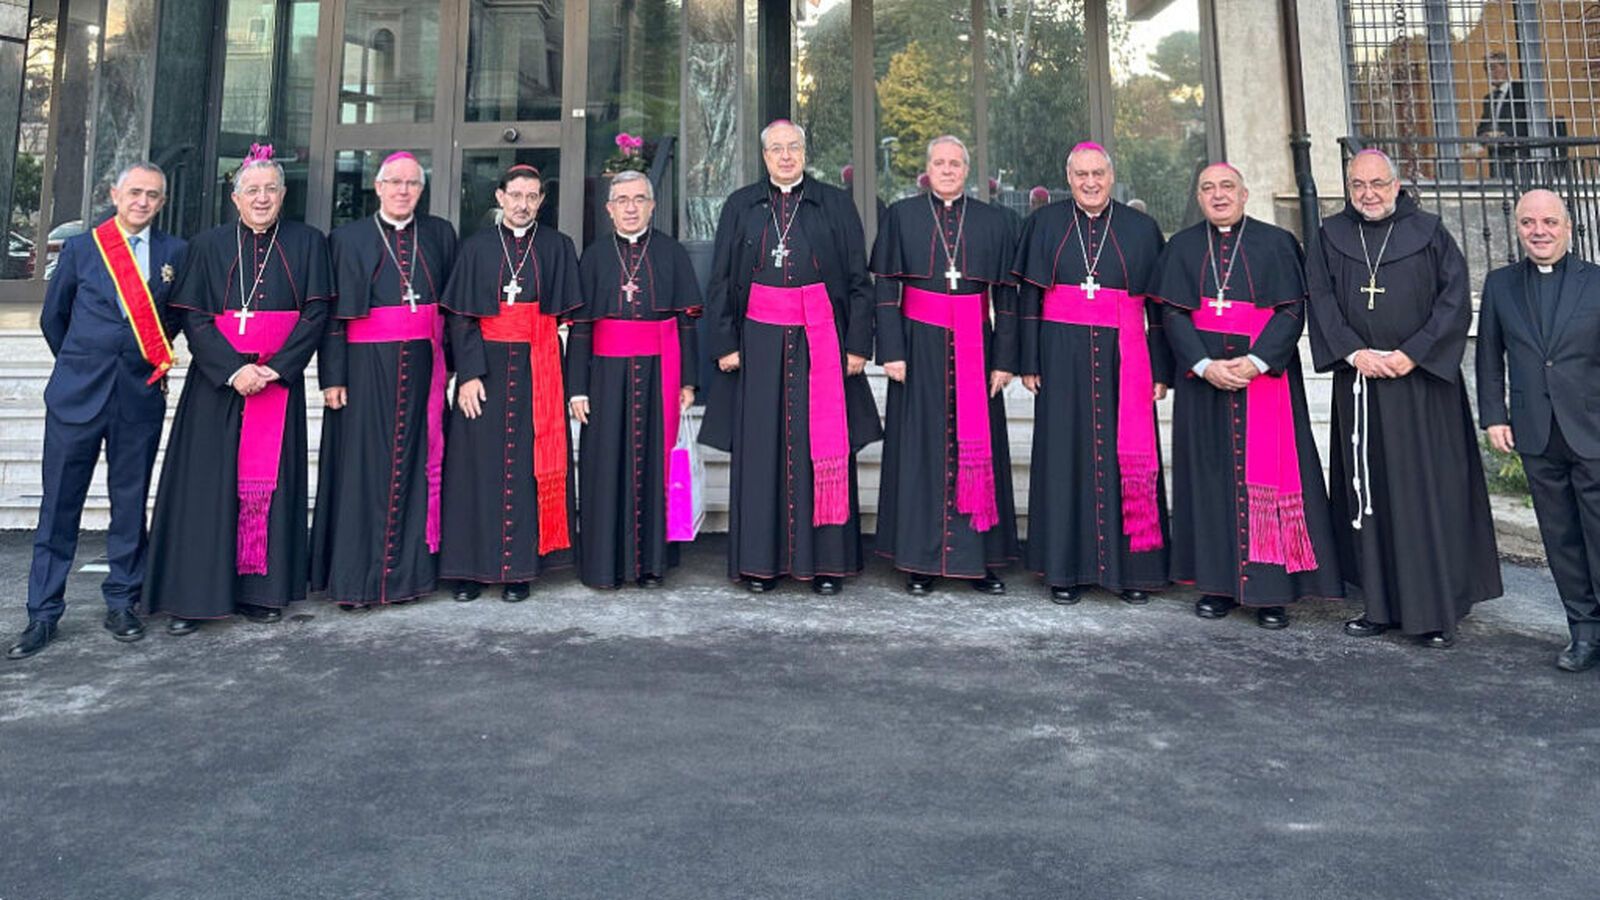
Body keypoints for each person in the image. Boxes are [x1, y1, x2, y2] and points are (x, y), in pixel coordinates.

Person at [1307, 148, 1501, 648]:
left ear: (1396, 185)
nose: (1368, 194)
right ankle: (1378, 606)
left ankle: (1435, 612)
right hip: (1362, 386)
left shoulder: (1430, 232)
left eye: (1377, 183)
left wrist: (1413, 353)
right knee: (1370, 496)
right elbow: (1320, 299)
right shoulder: (1330, 236)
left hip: (1422, 390)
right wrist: (1353, 352)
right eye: (1357, 185)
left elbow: (1454, 301)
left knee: (1425, 495)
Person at [143, 145, 332, 634]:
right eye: (252, 190)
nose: (262, 198)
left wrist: (277, 369)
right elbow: (194, 318)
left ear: (283, 194)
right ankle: (194, 598)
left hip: (277, 385)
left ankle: (261, 592)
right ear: (235, 197)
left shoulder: (308, 242)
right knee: (205, 489)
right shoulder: (207, 246)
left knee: (271, 488)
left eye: (271, 189)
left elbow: (316, 315)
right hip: (216, 385)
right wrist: (233, 370)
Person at [6, 162, 186, 659]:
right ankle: (43, 613)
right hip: (77, 396)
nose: (143, 201)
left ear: (162, 201)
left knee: (130, 503)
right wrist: (84, 362)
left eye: (153, 195)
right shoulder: (83, 249)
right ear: (114, 194)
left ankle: (123, 602)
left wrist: (138, 359)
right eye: (135, 192)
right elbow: (54, 318)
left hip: (137, 397)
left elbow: (172, 321)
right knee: (59, 506)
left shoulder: (175, 253)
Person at [1156, 163, 1343, 628]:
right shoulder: (1181, 247)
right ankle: (1216, 586)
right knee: (1208, 481)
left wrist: (1257, 361)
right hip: (1204, 383)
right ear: (1198, 197)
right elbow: (1172, 314)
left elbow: (1291, 309)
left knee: (1271, 479)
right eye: (1208, 188)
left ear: (1244, 194)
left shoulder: (1277, 243)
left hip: (1265, 379)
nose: (1218, 195)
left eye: (1227, 187)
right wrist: (1204, 365)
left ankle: (1270, 591)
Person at [700, 120, 881, 595]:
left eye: (793, 147)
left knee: (821, 444)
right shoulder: (741, 205)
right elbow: (720, 280)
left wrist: (858, 345)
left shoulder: (834, 204)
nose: (785, 156)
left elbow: (859, 281)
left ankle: (826, 564)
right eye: (776, 149)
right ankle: (761, 564)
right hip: (757, 343)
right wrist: (725, 343)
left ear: (805, 152)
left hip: (821, 340)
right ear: (764, 156)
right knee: (761, 451)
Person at [1012, 142, 1172, 607]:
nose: (1090, 182)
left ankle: (1134, 571)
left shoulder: (1141, 228)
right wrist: (1028, 362)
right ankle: (1064, 570)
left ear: (1111, 175)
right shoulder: (1044, 223)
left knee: (1127, 456)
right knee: (1064, 457)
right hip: (1060, 356)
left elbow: (1158, 308)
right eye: (1081, 174)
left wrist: (1161, 368)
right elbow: (1028, 301)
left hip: (1126, 355)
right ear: (1069, 178)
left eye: (1098, 173)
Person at [870, 135, 1019, 596]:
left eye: (956, 163)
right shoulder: (902, 216)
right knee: (921, 451)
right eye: (940, 163)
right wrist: (891, 350)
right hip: (918, 346)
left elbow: (1007, 298)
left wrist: (1005, 358)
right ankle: (920, 559)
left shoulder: (994, 221)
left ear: (967, 170)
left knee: (979, 448)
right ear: (927, 169)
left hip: (977, 343)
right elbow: (886, 288)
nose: (948, 170)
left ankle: (978, 560)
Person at [312, 152, 458, 610]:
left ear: (421, 190)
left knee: (417, 468)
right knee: (362, 472)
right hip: (364, 370)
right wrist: (332, 376)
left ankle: (408, 578)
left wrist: (455, 367)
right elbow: (333, 315)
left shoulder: (439, 234)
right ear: (377, 187)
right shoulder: (347, 238)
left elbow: (452, 307)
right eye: (394, 182)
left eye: (412, 184)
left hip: (423, 371)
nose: (402, 191)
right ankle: (356, 583)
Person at [438, 164, 580, 602]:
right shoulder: (476, 247)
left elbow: (571, 320)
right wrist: (468, 374)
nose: (523, 204)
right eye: (516, 195)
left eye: (532, 196)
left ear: (541, 201)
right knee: (473, 470)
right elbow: (461, 318)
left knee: (526, 470)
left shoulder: (558, 246)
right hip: (486, 372)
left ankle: (520, 569)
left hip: (539, 369)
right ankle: (469, 570)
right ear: (500, 197)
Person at [1476, 189, 1600, 672]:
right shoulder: (1500, 285)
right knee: (1560, 538)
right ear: (1518, 229)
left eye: (1549, 222)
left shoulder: (1596, 282)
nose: (1539, 231)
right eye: (1529, 222)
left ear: (1567, 227)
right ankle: (1583, 632)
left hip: (1592, 429)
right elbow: (1489, 356)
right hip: (1536, 432)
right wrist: (1494, 416)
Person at [566, 170, 702, 589]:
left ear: (652, 206)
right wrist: (577, 388)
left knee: (656, 464)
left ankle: (651, 564)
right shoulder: (594, 256)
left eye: (639, 199)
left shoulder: (671, 252)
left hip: (660, 372)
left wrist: (688, 381)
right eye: (622, 200)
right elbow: (581, 327)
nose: (630, 208)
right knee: (605, 465)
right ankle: (604, 565)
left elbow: (687, 321)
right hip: (605, 376)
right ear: (609, 209)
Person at [1476, 52, 1530, 179]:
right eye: (1487, 69)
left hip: (1518, 156)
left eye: (1493, 68)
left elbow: (1528, 121)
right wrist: (1484, 135)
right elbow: (1483, 127)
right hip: (1497, 158)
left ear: (1506, 67)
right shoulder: (1489, 99)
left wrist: (1506, 135)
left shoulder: (1522, 91)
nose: (1490, 73)